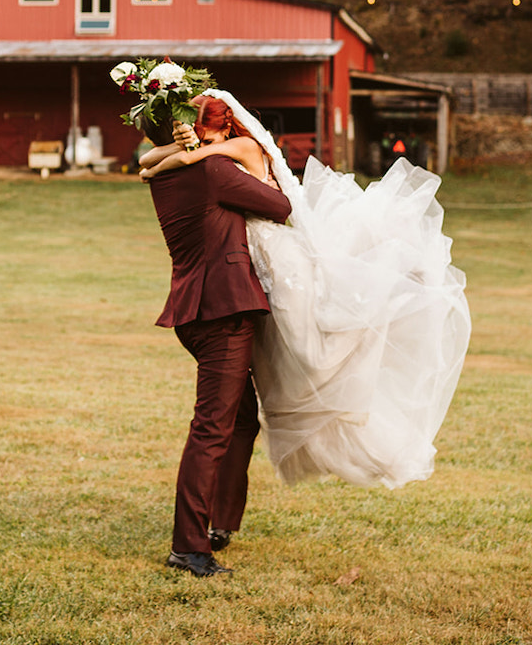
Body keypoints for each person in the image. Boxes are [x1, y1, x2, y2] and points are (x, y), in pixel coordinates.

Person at [145, 89, 471, 491]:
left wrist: (183, 154)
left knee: (314, 351)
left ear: (225, 127)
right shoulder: (220, 154)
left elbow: (205, 165)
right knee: (278, 372)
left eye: (207, 138)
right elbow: (155, 158)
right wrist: (167, 156)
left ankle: (368, 338)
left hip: (277, 257)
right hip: (255, 270)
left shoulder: (241, 146)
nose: (203, 145)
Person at [139, 108, 292, 578]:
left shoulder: (164, 174)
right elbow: (282, 208)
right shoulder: (214, 170)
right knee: (212, 428)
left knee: (242, 419)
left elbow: (153, 160)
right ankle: (189, 548)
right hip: (223, 312)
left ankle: (219, 523)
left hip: (194, 308)